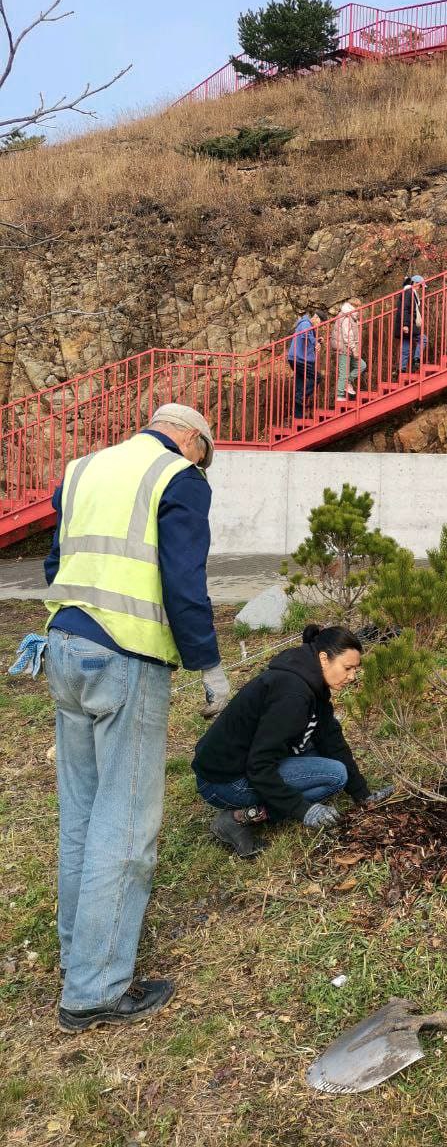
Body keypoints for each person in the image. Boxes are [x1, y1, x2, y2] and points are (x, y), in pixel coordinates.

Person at [43, 403, 229, 1032]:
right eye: (206, 454)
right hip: (127, 657)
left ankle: (78, 957)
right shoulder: (177, 477)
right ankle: (95, 990)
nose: (203, 465)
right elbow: (184, 580)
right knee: (125, 825)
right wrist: (208, 666)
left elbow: (56, 561)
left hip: (64, 647)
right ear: (192, 440)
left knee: (83, 814)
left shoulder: (83, 468)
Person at [192, 624, 391, 858]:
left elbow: (331, 739)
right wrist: (303, 810)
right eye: (348, 668)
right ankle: (236, 819)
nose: (352, 677)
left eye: (355, 670)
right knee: (335, 775)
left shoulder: (311, 683)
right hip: (223, 781)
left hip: (242, 762)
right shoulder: (293, 694)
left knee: (329, 758)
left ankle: (261, 807)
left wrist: (362, 795)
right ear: (324, 658)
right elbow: (259, 765)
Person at [287, 309, 323, 418]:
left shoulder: (305, 324)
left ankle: (298, 416)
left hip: (296, 358)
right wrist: (315, 342)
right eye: (319, 322)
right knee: (317, 377)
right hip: (300, 359)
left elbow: (307, 338)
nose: (319, 325)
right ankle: (300, 397)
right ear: (316, 318)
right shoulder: (306, 323)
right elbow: (305, 335)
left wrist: (317, 340)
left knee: (299, 384)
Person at [333, 299, 366, 400]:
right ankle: (340, 395)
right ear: (354, 306)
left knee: (361, 365)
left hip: (348, 349)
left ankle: (348, 382)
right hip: (344, 349)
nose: (360, 309)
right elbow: (347, 334)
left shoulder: (350, 316)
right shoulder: (346, 316)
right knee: (343, 372)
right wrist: (354, 349)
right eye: (359, 307)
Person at [394, 274, 427, 373]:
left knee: (405, 346)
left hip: (407, 324)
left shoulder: (409, 292)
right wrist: (405, 325)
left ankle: (401, 369)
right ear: (415, 283)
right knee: (423, 339)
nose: (420, 288)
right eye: (420, 285)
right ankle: (416, 359)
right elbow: (405, 308)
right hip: (407, 324)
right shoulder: (409, 292)